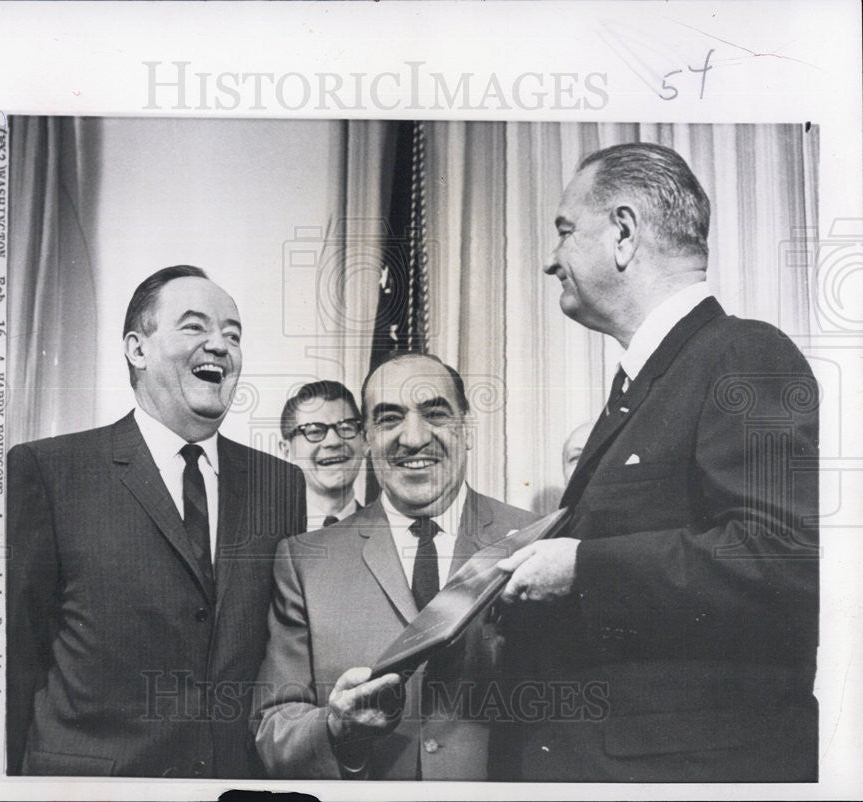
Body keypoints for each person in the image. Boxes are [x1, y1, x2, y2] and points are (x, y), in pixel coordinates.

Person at [491, 143, 819, 781]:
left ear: (622, 231)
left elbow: (777, 557)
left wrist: (582, 566)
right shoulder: (644, 386)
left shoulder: (745, 354)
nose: (549, 259)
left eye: (564, 231)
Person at [6, 265, 307, 778]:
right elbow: (17, 656)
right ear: (137, 349)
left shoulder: (280, 485)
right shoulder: (49, 470)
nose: (220, 345)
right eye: (194, 326)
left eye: (232, 335)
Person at [253, 352, 540, 780]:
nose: (413, 437)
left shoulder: (533, 540)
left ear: (466, 428)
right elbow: (273, 728)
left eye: (434, 413)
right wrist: (336, 728)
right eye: (389, 419)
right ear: (366, 437)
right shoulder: (304, 560)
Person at [279, 380, 364, 529]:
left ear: (364, 440)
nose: (334, 441)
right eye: (314, 431)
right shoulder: (263, 536)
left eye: (345, 428)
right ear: (287, 450)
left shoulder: (392, 534)